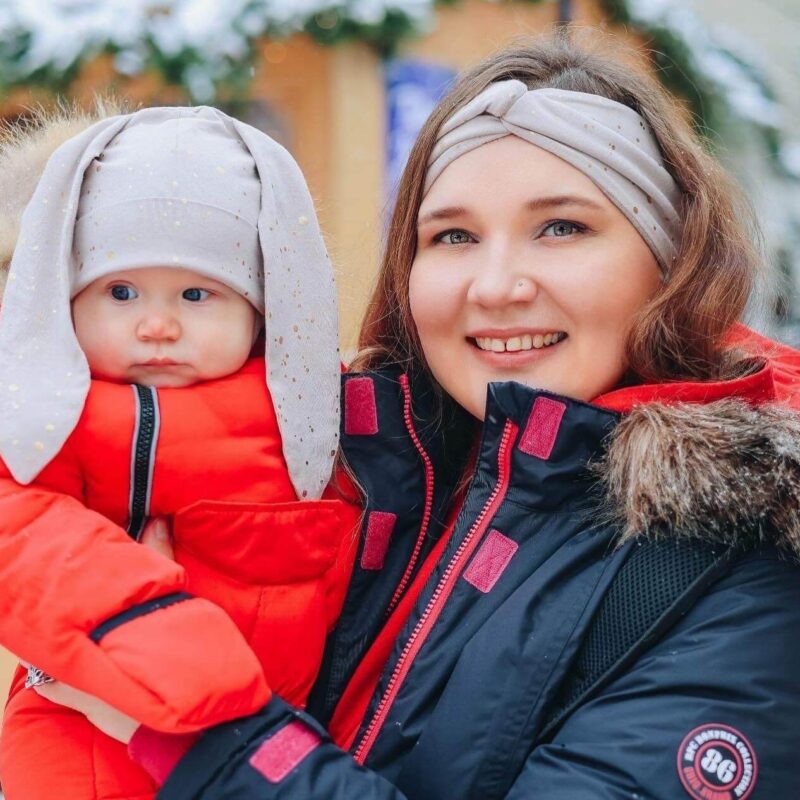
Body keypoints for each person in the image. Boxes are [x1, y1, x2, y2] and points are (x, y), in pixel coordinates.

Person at [15, 35, 800, 799]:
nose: (494, 286)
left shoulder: (742, 579)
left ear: (671, 261)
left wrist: (195, 737)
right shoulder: (366, 466)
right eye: (452, 235)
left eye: (562, 227)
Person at [0, 106, 360, 800]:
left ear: (263, 310)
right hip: (87, 734)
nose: (158, 324)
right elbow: (20, 532)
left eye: (198, 294)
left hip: (265, 749)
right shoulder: (51, 416)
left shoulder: (313, 410)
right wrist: (147, 626)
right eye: (121, 292)